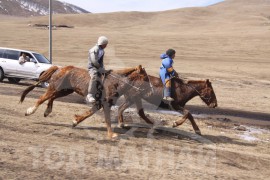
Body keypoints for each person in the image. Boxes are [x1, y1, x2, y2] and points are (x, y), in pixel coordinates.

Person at [86, 36, 109, 103]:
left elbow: (101, 61)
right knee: (94, 76)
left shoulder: (102, 51)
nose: (106, 46)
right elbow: (94, 61)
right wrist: (100, 68)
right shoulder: (94, 50)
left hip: (98, 67)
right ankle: (89, 95)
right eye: (106, 44)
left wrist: (103, 69)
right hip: (92, 67)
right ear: (102, 43)